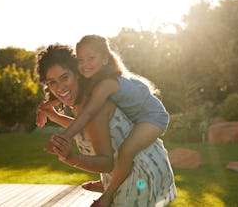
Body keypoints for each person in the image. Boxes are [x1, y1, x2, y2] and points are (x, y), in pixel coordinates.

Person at [35, 44, 176, 207]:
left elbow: (106, 163)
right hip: (128, 170)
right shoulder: (83, 100)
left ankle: (107, 193)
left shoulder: (94, 103)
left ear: (78, 74)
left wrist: (71, 158)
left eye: (65, 77)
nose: (59, 88)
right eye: (52, 82)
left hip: (138, 173)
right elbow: (91, 130)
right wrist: (55, 116)